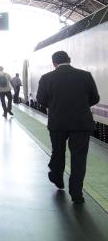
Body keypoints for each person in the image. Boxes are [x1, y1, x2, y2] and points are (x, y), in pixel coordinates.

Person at [36, 51, 99, 204]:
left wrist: (56, 106)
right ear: (69, 60)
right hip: (81, 123)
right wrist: (81, 106)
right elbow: (95, 98)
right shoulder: (85, 75)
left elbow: (40, 99)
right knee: (79, 158)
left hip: (57, 122)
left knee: (58, 151)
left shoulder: (46, 78)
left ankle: (57, 177)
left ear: (54, 63)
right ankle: (76, 194)